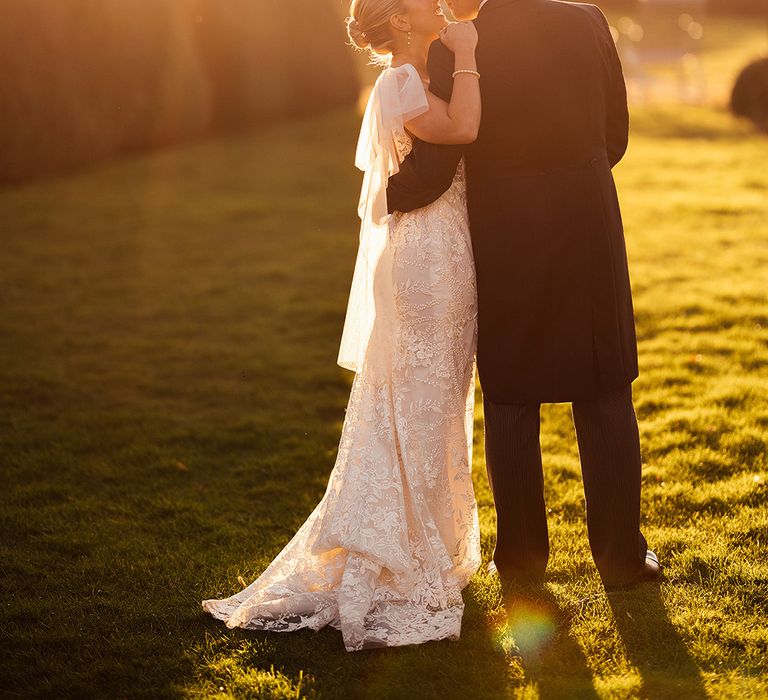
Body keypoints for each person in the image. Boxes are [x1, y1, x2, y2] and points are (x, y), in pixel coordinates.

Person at [202, 0, 485, 651]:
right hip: (425, 263)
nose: (435, 1)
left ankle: (429, 541)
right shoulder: (400, 82)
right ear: (402, 22)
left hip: (449, 252)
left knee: (438, 402)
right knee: (413, 403)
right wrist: (469, 55)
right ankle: (393, 552)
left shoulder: (413, 75)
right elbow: (464, 127)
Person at [386, 0, 660, 591]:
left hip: (505, 225)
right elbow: (616, 132)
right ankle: (620, 560)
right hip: (588, 212)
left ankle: (520, 561)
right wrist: (575, 173)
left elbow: (438, 163)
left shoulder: (456, 43)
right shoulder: (588, 19)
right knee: (605, 387)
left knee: (511, 393)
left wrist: (386, 197)